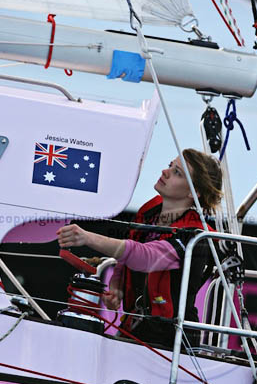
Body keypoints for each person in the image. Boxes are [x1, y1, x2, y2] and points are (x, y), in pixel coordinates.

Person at [57, 148, 222, 347]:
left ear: (193, 193)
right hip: (135, 328)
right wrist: (116, 285)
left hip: (171, 339)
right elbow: (126, 256)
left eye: (177, 172)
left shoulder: (195, 236)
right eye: (170, 165)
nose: (165, 172)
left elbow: (146, 257)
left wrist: (87, 238)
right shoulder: (150, 211)